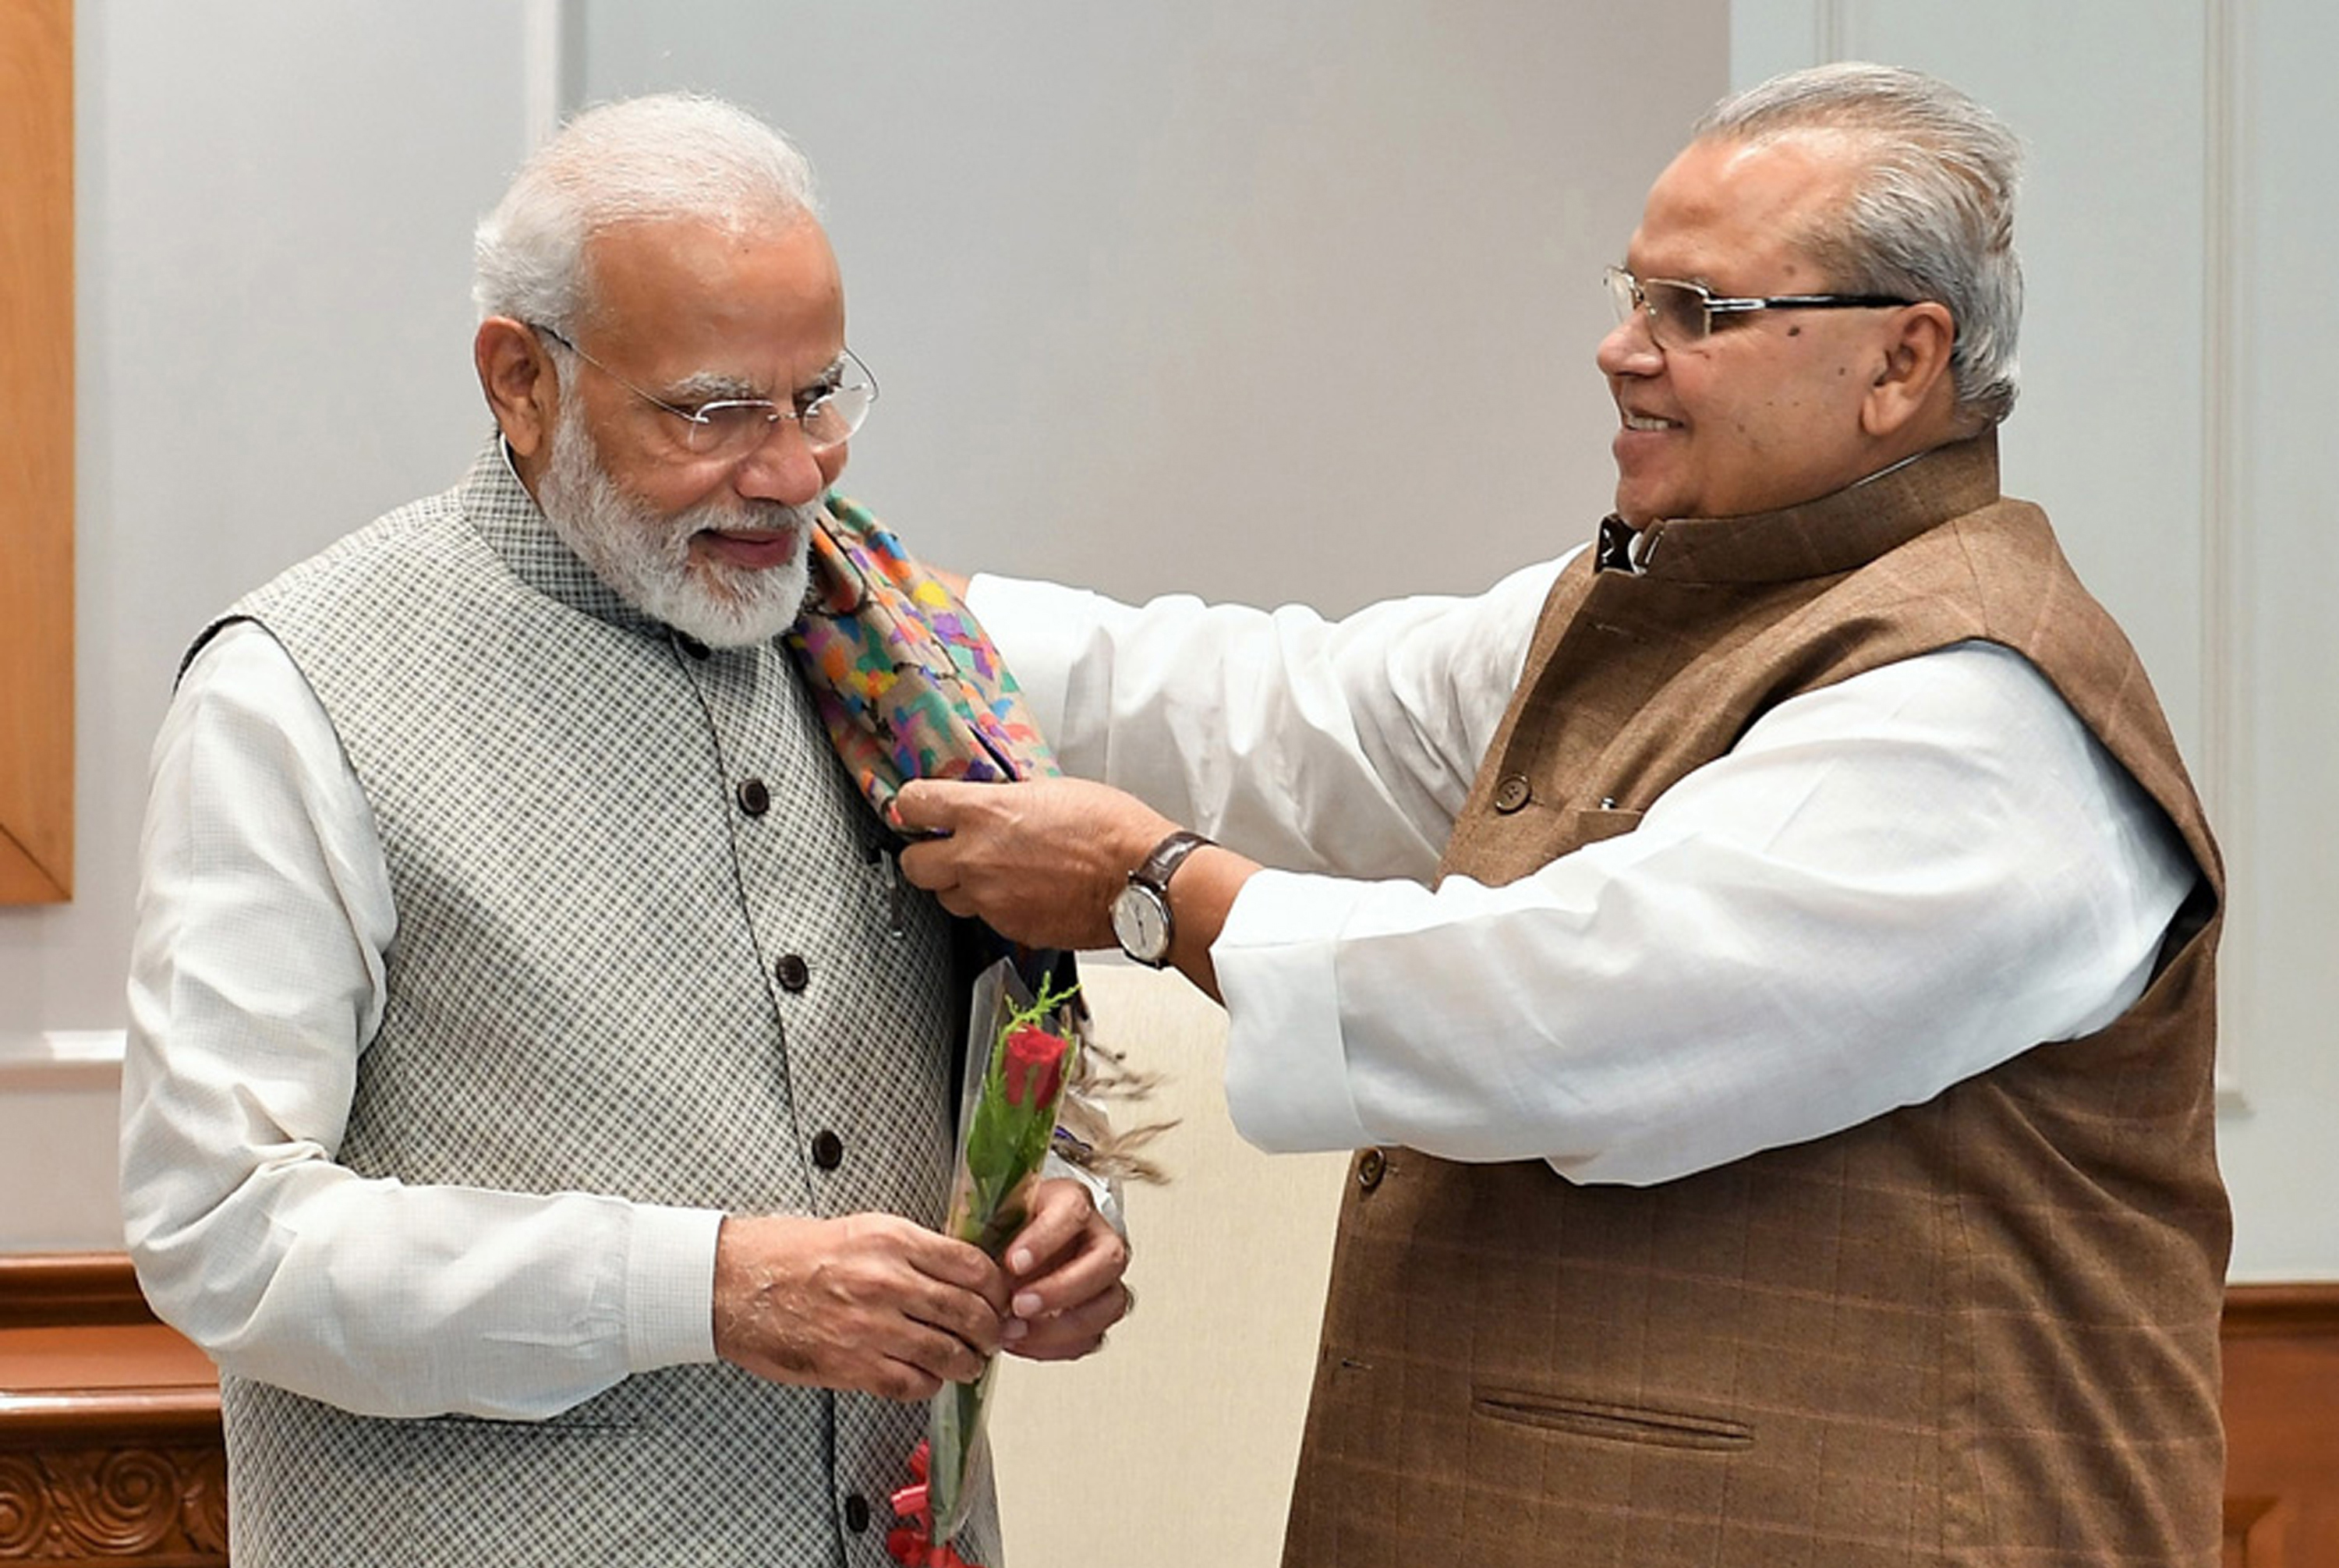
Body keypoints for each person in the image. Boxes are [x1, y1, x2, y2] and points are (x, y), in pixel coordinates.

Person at [894, 62, 2228, 1567]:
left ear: (1901, 361)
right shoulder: (1657, 601)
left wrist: (1154, 890)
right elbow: (1291, 711)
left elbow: (1574, 1022)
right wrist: (877, 606)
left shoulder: (1984, 707)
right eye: (1632, 294)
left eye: (1695, 313)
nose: (1620, 350)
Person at [119, 92, 1128, 1568]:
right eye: (715, 411)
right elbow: (223, 1233)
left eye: (820, 395)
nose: (792, 472)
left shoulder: (888, 647)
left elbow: (979, 1053)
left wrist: (1058, 1202)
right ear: (519, 379)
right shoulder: (296, 690)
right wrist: (705, 1288)